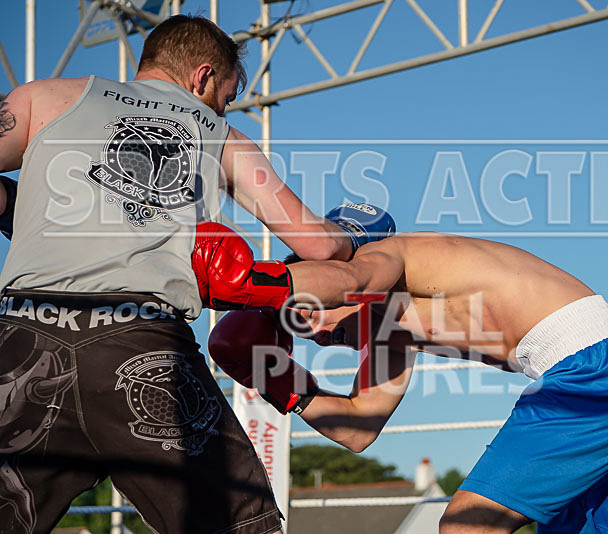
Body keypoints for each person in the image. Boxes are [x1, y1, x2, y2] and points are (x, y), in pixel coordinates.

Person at [0, 15, 393, 534]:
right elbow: (316, 245)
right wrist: (358, 232)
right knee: (238, 525)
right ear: (202, 77)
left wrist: (20, 209)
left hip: (21, 339)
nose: (224, 107)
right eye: (227, 96)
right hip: (138, 341)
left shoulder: (41, 97)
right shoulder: (223, 136)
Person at [208, 231, 608, 533]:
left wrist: (243, 283)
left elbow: (349, 278)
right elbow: (358, 428)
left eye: (310, 313)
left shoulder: (389, 259)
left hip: (589, 370)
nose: (321, 337)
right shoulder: (392, 335)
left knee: (466, 525)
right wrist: (277, 380)